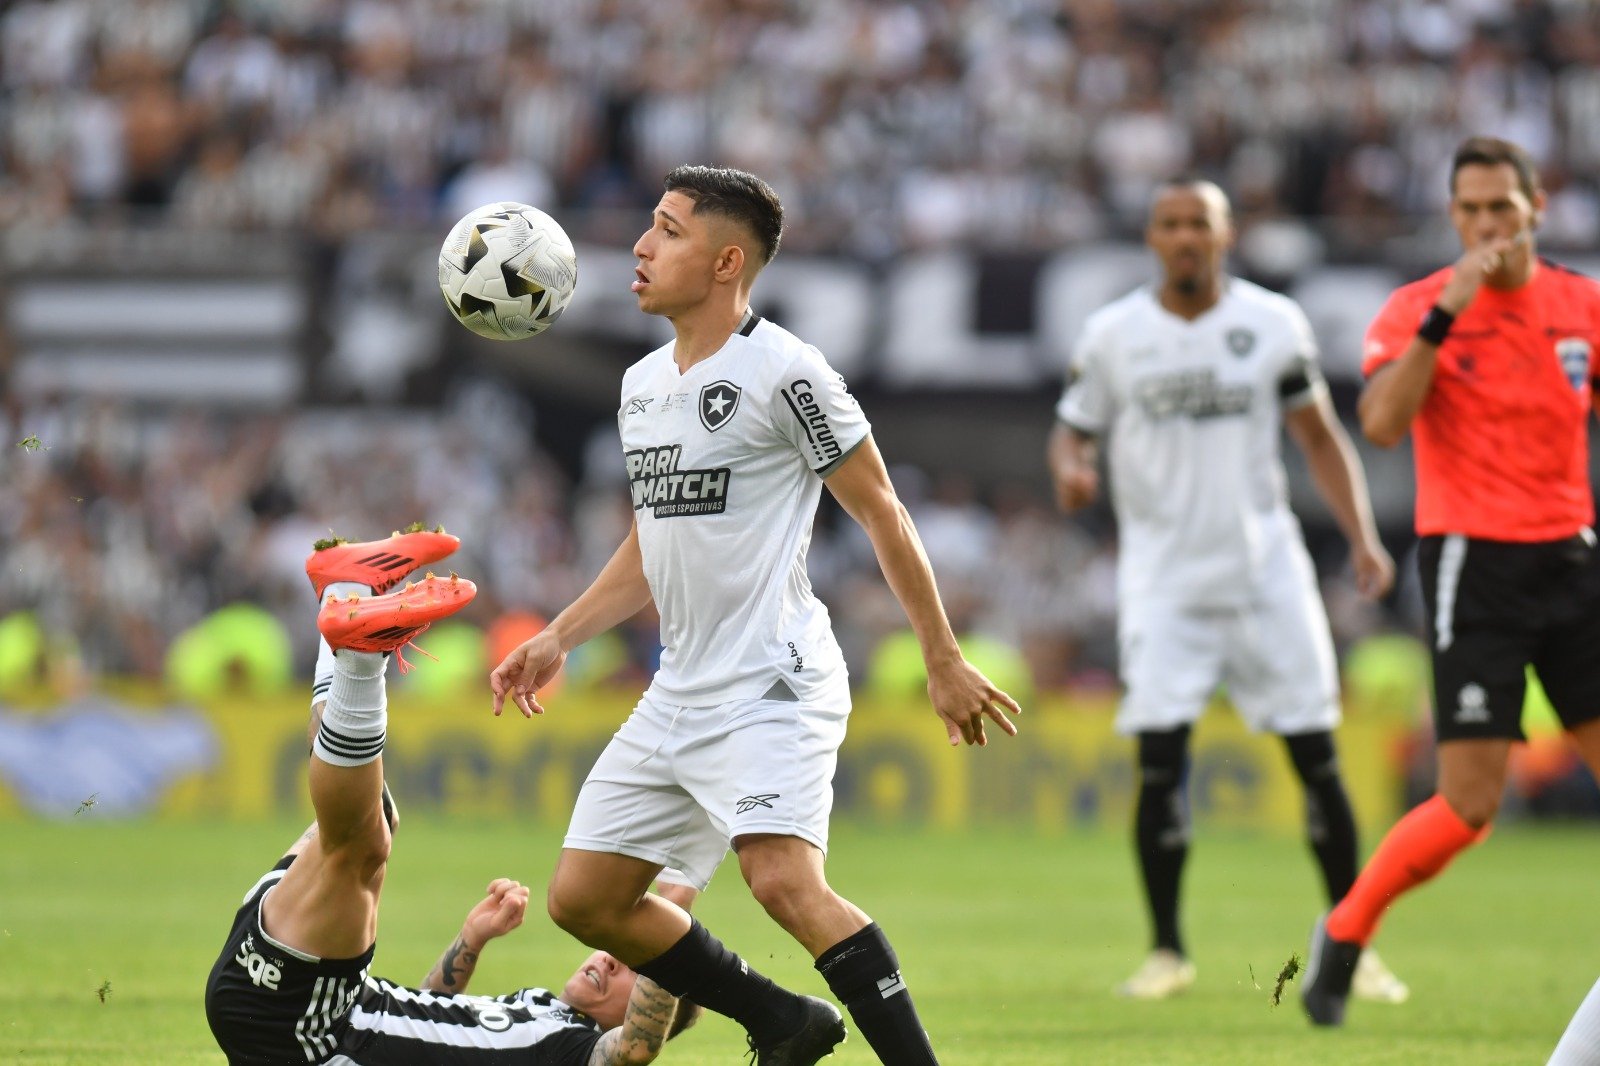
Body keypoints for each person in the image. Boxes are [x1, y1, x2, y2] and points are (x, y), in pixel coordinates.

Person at [490, 164, 1021, 1066]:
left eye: (667, 229)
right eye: (649, 226)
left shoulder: (787, 372)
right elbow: (653, 541)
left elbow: (882, 507)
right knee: (583, 899)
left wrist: (941, 655)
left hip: (772, 678)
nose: (642, 246)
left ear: (727, 260)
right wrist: (559, 634)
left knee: (780, 880)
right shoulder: (642, 384)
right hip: (681, 689)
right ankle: (783, 1019)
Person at [1047, 178, 1405, 1002]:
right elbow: (1072, 430)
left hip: (1264, 572)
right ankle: (1168, 950)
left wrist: (1361, 536)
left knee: (1317, 758)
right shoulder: (1113, 335)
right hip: (1164, 581)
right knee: (1160, 759)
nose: (1183, 238)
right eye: (1169, 224)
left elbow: (1319, 437)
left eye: (1197, 226)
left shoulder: (1270, 324)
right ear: (1151, 237)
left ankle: (1353, 948)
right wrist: (1071, 469)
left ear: (1225, 235)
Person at [1301, 135, 1600, 1026]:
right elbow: (1384, 423)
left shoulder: (1581, 305)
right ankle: (1347, 929)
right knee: (1470, 805)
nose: (1485, 226)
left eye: (1500, 209)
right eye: (1469, 211)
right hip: (1477, 567)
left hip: (1574, 560)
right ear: (1452, 215)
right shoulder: (1418, 307)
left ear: (1534, 209)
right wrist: (1447, 319)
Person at [205, 529, 699, 1064]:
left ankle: (359, 649)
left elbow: (633, 1051)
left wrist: (671, 928)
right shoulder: (539, 1008)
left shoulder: (580, 1054)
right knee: (372, 813)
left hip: (310, 1029)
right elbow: (420, 1013)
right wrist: (471, 941)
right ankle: (344, 594)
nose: (608, 959)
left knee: (362, 842)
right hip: (307, 992)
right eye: (620, 952)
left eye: (630, 964)